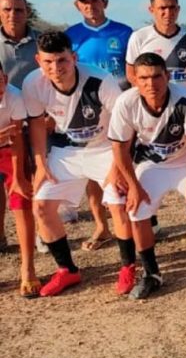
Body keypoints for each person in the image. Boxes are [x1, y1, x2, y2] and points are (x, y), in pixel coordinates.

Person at [22, 31, 131, 296]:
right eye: (48, 62)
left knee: (117, 202)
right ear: (38, 61)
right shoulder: (33, 83)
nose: (55, 68)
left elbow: (124, 125)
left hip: (104, 147)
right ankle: (67, 270)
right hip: (67, 150)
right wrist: (40, 163)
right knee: (41, 207)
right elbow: (36, 123)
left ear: (74, 57)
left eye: (62, 60)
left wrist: (117, 166)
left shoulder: (100, 79)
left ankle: (128, 267)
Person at [106, 52, 186, 299]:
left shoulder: (185, 99)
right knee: (136, 210)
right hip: (151, 163)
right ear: (134, 79)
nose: (151, 83)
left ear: (167, 76)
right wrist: (134, 186)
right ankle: (152, 274)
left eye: (156, 76)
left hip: (183, 161)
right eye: (143, 78)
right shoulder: (126, 102)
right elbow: (119, 148)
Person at [65, 0, 133, 251]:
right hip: (88, 111)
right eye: (84, 1)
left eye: (94, 0)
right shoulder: (71, 35)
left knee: (128, 166)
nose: (90, 5)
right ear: (77, 6)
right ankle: (102, 227)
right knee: (94, 175)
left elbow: (134, 71)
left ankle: (136, 223)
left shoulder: (124, 32)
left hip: (121, 108)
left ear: (105, 2)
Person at [0, 59, 36, 296]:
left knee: (21, 202)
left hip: (11, 149)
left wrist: (19, 177)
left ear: (4, 78)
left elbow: (16, 138)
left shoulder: (13, 95)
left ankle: (28, 268)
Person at [126, 0, 186, 92]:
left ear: (178, 9)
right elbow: (130, 73)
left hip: (183, 99)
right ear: (151, 9)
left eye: (172, 7)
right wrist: (150, 92)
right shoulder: (139, 37)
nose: (168, 12)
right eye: (162, 8)